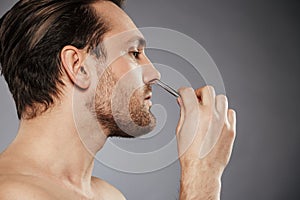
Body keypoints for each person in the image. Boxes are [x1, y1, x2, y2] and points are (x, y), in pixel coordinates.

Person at [0, 0, 236, 199]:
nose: (154, 73)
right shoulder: (12, 193)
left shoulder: (108, 195)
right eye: (134, 53)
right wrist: (201, 178)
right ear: (79, 67)